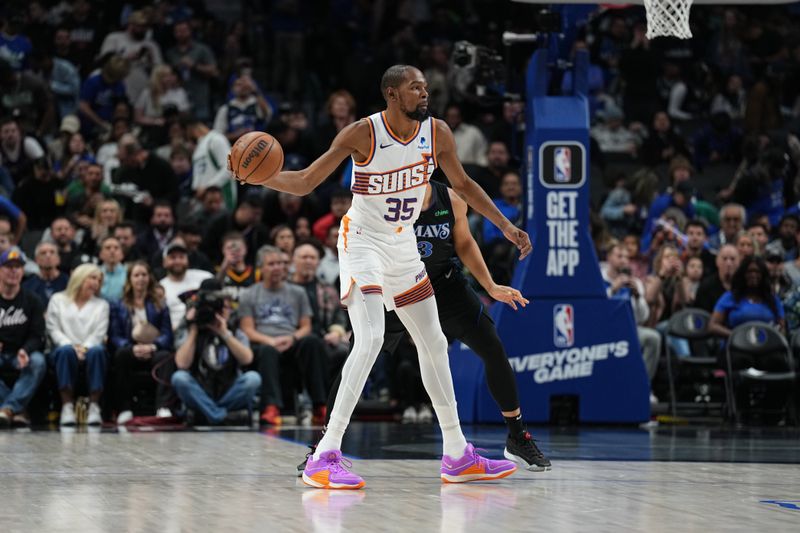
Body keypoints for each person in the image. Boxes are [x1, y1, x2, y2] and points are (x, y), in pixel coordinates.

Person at [251, 65, 529, 488]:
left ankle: (456, 454)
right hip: (362, 243)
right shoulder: (362, 133)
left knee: (433, 340)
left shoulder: (437, 133)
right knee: (372, 339)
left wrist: (506, 226)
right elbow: (307, 181)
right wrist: (265, 177)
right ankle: (324, 454)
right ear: (392, 94)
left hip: (402, 246)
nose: (424, 92)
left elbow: (466, 185)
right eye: (415, 87)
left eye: (426, 87)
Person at [300, 180, 550, 476]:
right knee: (361, 352)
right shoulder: (389, 199)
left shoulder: (451, 199)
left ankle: (517, 437)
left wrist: (491, 286)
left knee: (491, 345)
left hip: (444, 285)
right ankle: (324, 446)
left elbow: (465, 242)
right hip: (395, 284)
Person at [239, 246, 329, 426]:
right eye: (271, 264)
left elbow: (306, 326)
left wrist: (293, 338)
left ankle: (320, 405)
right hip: (263, 343)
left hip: (291, 342)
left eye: (280, 263)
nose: (277, 267)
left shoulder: (298, 292)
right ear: (261, 268)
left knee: (312, 342)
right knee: (267, 350)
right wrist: (271, 341)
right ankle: (271, 407)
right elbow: (247, 330)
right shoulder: (249, 294)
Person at [172, 278, 261, 425]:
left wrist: (224, 333)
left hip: (229, 389)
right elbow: (182, 363)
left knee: (253, 378)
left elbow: (247, 359)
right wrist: (193, 329)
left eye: (219, 307)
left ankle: (209, 413)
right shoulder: (190, 327)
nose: (214, 313)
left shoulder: (233, 328)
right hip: (200, 389)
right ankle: (220, 416)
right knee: (179, 378)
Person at [109, 261, 175, 424]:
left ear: (149, 278)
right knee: (120, 355)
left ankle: (163, 406)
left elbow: (167, 334)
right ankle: (125, 408)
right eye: (136, 275)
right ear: (129, 279)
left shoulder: (160, 304)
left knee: (166, 356)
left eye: (144, 275)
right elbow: (115, 335)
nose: (140, 279)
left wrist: (153, 346)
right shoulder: (119, 305)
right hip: (130, 349)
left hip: (153, 348)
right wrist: (131, 347)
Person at [46, 263, 110, 426]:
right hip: (64, 348)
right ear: (80, 277)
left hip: (89, 348)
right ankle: (67, 406)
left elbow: (99, 333)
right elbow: (53, 328)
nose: (96, 283)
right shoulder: (58, 299)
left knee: (97, 351)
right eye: (92, 278)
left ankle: (94, 406)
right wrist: (70, 346)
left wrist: (85, 347)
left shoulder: (101, 305)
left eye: (99, 280)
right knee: (65, 352)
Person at [0, 248, 46, 428]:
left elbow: (38, 334)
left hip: (21, 352)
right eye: (8, 266)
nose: (13, 271)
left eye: (18, 267)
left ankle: (7, 409)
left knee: (38, 362)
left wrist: (25, 350)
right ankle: (16, 410)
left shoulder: (32, 300)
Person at [709, 256, 785, 338]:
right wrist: (735, 335)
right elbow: (713, 326)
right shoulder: (730, 297)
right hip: (736, 346)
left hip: (766, 346)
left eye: (757, 272)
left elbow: (782, 327)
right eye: (749, 272)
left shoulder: (773, 299)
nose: (753, 275)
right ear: (742, 274)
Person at [159, 241, 213, 332]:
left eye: (181, 257)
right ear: (164, 262)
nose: (178, 261)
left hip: (207, 327)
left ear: (187, 260)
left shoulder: (204, 277)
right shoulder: (160, 287)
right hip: (177, 331)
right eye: (173, 258)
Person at [695, 245, 741, 313]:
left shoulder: (744, 285)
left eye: (732, 259)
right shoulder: (706, 286)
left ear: (739, 262)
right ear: (717, 261)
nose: (728, 263)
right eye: (724, 259)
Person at [98, 236, 127, 302]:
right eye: (108, 248)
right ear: (100, 254)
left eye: (116, 248)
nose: (112, 251)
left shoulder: (129, 274)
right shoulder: (94, 274)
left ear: (122, 254)